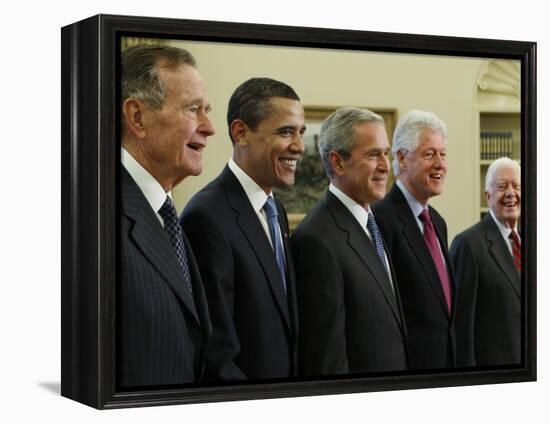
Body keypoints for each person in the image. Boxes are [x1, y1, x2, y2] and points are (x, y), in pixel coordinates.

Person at [180, 78, 305, 381]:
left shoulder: (277, 210)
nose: (299, 146)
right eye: (285, 132)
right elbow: (216, 356)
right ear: (241, 133)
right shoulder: (207, 217)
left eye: (300, 132)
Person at [119, 45, 215, 387]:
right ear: (138, 117)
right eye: (193, 110)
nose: (209, 127)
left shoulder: (168, 214)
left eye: (207, 110)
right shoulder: (95, 217)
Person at [291, 107, 408, 376]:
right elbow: (326, 359)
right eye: (372, 155)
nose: (385, 166)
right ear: (337, 162)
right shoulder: (316, 240)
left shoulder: (370, 220)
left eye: (386, 153)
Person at [372, 109, 456, 370]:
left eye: (443, 154)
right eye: (429, 154)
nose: (440, 164)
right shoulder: (380, 219)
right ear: (402, 158)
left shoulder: (438, 222)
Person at [450, 157, 521, 366]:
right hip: (493, 374)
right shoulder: (468, 245)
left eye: (516, 186)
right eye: (502, 186)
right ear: (488, 196)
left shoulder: (534, 242)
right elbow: (461, 327)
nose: (511, 193)